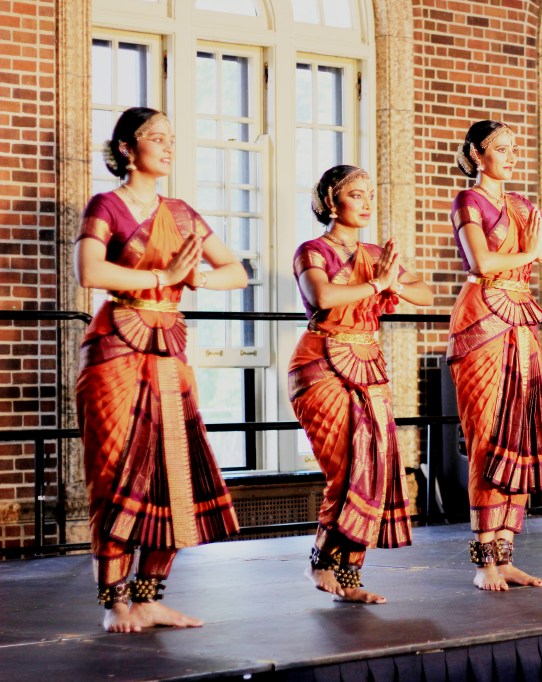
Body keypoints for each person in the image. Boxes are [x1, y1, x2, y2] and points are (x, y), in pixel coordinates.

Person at [75, 107, 248, 633]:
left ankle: (149, 597)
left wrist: (190, 276)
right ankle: (115, 600)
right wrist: (161, 274)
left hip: (169, 350)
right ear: (128, 148)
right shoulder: (107, 204)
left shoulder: (183, 213)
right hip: (116, 346)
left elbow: (237, 273)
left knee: (172, 472)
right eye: (156, 138)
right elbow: (89, 270)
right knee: (113, 471)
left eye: (172, 139)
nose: (168, 147)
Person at [290, 165, 432, 604]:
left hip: (368, 364)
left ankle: (349, 575)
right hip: (321, 364)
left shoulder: (375, 253)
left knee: (375, 466)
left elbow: (425, 293)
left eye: (371, 193)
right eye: (357, 194)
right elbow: (323, 297)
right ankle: (321, 562)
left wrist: (394, 283)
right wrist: (377, 284)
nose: (368, 202)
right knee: (345, 469)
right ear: (332, 202)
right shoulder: (311, 251)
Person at [447, 120, 542, 591]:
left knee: (521, 433)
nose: (511, 155)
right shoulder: (468, 201)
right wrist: (532, 252)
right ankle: (484, 559)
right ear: (477, 155)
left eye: (514, 147)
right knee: (488, 434)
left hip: (521, 318)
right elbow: (481, 262)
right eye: (501, 148)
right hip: (483, 315)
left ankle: (506, 555)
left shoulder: (523, 205)